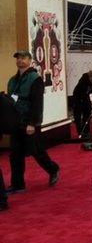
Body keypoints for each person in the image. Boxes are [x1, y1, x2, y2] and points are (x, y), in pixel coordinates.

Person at [6, 50, 60, 194]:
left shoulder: (35, 79)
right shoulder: (12, 80)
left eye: (23, 57)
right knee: (15, 154)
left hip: (29, 122)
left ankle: (53, 169)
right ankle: (18, 184)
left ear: (30, 60)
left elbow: (37, 103)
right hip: (15, 122)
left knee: (36, 151)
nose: (19, 60)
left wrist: (32, 123)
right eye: (17, 58)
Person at [72, 70, 92, 139]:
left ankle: (87, 131)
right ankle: (80, 132)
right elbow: (81, 91)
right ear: (91, 76)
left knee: (87, 114)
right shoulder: (84, 79)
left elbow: (90, 91)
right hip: (78, 98)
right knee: (78, 116)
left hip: (85, 98)